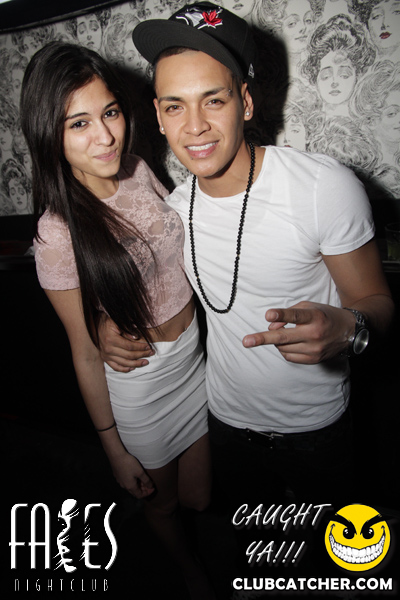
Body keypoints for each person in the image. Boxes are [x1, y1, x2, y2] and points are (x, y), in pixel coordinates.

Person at [99, 0, 394, 588]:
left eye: (214, 99)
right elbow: (159, 299)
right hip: (227, 426)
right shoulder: (172, 211)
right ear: (157, 116)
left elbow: (379, 305)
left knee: (344, 561)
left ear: (247, 102)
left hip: (318, 430)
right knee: (258, 558)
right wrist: (109, 324)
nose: (195, 126)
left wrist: (350, 328)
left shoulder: (322, 188)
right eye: (175, 106)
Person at [20, 41, 214, 600]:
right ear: (49, 134)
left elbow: (178, 242)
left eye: (109, 112)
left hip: (195, 358)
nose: (105, 136)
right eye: (78, 123)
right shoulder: (57, 232)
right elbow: (83, 350)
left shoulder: (136, 169)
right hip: (144, 383)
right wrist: (114, 450)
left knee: (200, 496)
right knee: (163, 502)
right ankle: (188, 570)